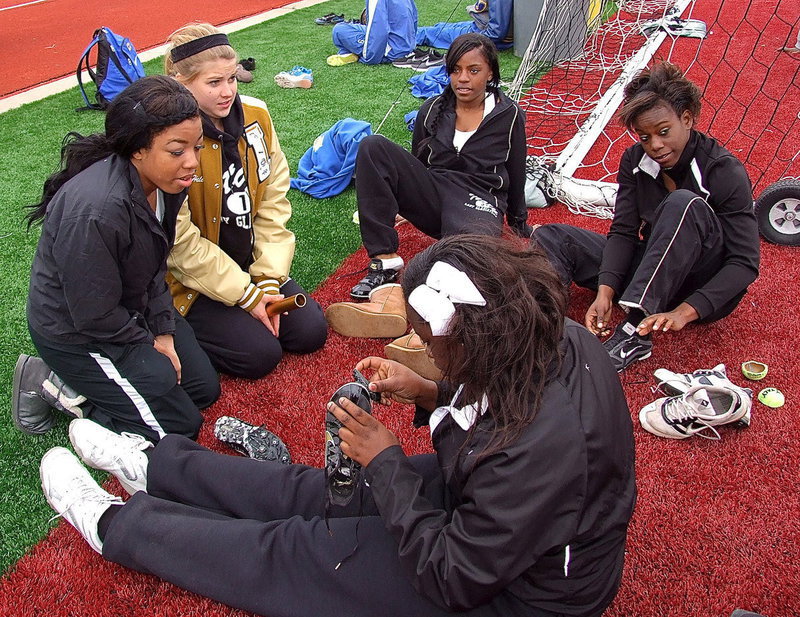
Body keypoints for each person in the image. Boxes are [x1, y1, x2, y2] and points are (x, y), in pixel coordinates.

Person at [40, 234, 636, 617]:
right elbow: (502, 411)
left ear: (475, 338)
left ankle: (116, 526)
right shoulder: (556, 338)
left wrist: (385, 463)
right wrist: (430, 388)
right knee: (316, 493)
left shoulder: (536, 448)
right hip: (504, 509)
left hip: (527, 596)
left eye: (426, 343)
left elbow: (454, 575)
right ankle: (157, 469)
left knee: (305, 551)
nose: (414, 346)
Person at [16, 76, 220, 443]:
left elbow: (156, 267)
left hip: (126, 307)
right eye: (177, 150)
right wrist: (147, 340)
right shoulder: (97, 211)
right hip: (78, 332)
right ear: (137, 150)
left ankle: (118, 378)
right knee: (177, 430)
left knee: (203, 390)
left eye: (197, 147)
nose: (192, 162)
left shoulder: (166, 184)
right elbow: (92, 314)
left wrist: (164, 331)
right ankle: (56, 385)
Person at [533, 61, 760, 372]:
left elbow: (744, 264)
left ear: (687, 118)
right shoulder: (634, 161)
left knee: (683, 204)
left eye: (664, 132)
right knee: (552, 235)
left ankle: (633, 334)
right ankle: (541, 321)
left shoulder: (722, 170)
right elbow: (624, 231)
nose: (655, 145)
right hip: (651, 270)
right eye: (644, 136)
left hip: (700, 282)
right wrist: (605, 291)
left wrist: (684, 311)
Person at [163, 23, 327, 380]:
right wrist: (246, 297)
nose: (228, 92)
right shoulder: (171, 139)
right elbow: (180, 245)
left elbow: (273, 202)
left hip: (248, 263)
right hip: (193, 280)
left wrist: (267, 280)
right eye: (213, 83)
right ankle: (183, 330)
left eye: (232, 79)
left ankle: (250, 298)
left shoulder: (256, 116)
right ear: (181, 83)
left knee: (311, 331)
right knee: (259, 355)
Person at [347, 32, 530, 301]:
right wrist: (404, 200)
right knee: (372, 146)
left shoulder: (509, 115)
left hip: (477, 203)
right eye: (455, 70)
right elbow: (416, 164)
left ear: (490, 73)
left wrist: (518, 225)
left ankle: (419, 310)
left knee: (475, 270)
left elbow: (516, 172)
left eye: (473, 70)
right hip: (436, 195)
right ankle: (385, 263)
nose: (463, 78)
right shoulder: (432, 109)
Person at [328, 0, 418, 66]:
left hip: (392, 51)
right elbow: (414, 18)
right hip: (408, 45)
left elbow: (379, 32)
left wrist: (369, 58)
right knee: (346, 27)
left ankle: (351, 53)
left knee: (338, 30)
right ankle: (349, 53)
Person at [416, 0, 514, 51]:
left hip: (486, 35)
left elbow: (496, 33)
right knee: (440, 26)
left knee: (428, 33)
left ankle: (404, 39)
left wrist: (472, 40)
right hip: (482, 27)